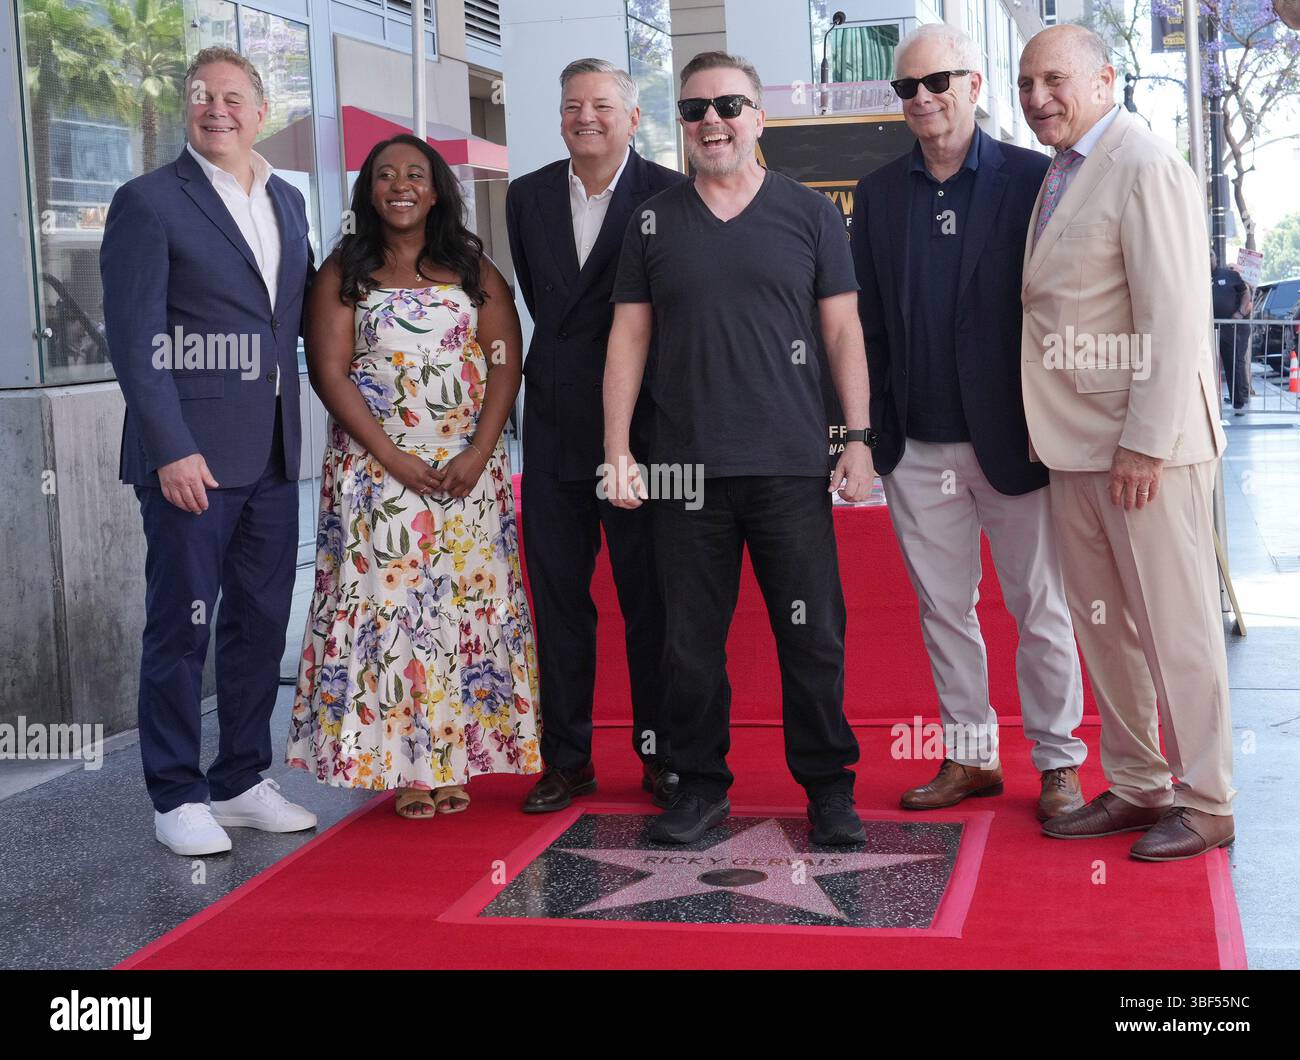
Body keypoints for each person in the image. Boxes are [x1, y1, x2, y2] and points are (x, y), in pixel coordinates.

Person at [605, 51, 875, 846]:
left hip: (790, 463)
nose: (711, 121)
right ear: (680, 126)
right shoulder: (652, 219)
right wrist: (617, 449)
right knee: (688, 642)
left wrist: (857, 439)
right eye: (694, 110)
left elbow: (842, 330)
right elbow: (628, 338)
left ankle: (828, 789)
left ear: (758, 117)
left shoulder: (812, 214)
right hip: (682, 468)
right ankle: (697, 787)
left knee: (813, 634)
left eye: (728, 106)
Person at [851, 23, 1086, 822]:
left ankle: (1059, 763)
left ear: (975, 86)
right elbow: (868, 325)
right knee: (944, 608)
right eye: (907, 88)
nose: (922, 99)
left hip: (1016, 440)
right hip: (915, 443)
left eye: (938, 82)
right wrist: (867, 436)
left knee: (1039, 606)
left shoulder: (1034, 179)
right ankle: (972, 756)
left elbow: (1061, 310)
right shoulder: (878, 195)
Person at [1018, 25, 1234, 861]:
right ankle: (1142, 783)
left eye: (1056, 79)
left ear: (1106, 79)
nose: (1039, 96)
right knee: (1106, 629)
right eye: (1029, 81)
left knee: (1175, 630)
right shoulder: (1064, 170)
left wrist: (1144, 444)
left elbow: (1175, 316)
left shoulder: (1143, 164)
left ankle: (1210, 797)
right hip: (1075, 447)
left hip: (1147, 452)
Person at [101, 47, 317, 856]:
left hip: (270, 452)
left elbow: (291, 316)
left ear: (261, 110)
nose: (216, 109)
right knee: (182, 624)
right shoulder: (149, 202)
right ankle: (175, 792)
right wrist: (171, 449)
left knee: (262, 621)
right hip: (189, 456)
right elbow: (136, 338)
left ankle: (238, 778)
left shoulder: (288, 200)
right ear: (186, 111)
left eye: (232, 97)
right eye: (201, 97)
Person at [286, 135, 540, 818]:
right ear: (370, 191)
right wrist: (394, 458)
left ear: (436, 192)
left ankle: (457, 760)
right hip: (376, 475)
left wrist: (480, 453)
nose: (401, 185)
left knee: (458, 611)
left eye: (416, 175)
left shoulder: (471, 267)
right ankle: (408, 770)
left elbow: (503, 360)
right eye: (386, 175)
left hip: (468, 472)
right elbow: (328, 372)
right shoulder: (345, 269)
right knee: (394, 617)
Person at [505, 59, 685, 814]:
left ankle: (661, 756)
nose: (587, 117)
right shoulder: (526, 197)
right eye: (573, 104)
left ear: (633, 118)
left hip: (644, 433)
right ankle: (568, 759)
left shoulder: (671, 194)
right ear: (559, 117)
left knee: (652, 601)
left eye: (604, 105)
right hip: (551, 428)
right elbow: (547, 306)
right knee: (559, 600)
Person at [1210, 251, 1252, 415]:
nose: (1209, 259)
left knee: (1232, 363)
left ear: (1215, 258)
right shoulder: (1197, 275)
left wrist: (1240, 312)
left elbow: (1246, 292)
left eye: (1211, 256)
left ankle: (1238, 403)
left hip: (1228, 327)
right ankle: (1210, 402)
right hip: (1206, 327)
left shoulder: (1229, 275)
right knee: (1207, 364)